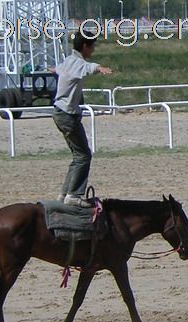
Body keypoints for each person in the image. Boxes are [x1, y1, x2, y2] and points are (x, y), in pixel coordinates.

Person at [52, 31, 112, 207]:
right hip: (67, 115)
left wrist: (54, 70)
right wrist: (100, 68)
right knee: (84, 155)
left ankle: (65, 193)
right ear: (85, 46)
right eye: (92, 46)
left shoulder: (67, 61)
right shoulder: (77, 63)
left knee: (78, 155)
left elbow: (60, 69)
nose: (93, 49)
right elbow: (88, 67)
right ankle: (74, 195)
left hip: (60, 113)